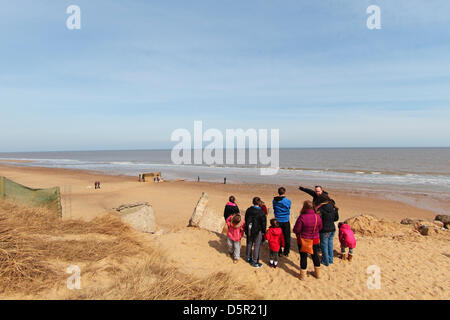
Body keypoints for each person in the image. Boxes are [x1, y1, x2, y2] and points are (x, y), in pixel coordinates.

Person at [293, 200, 323, 280]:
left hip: (303, 240)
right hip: (315, 239)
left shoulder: (302, 217)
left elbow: (296, 229)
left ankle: (303, 275)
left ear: (304, 207)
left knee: (303, 257)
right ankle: (318, 274)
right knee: (315, 255)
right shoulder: (317, 216)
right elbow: (320, 227)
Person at [316, 194, 339, 267]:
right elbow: (336, 218)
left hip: (325, 229)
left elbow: (318, 220)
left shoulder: (321, 209)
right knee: (330, 244)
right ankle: (330, 259)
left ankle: (325, 261)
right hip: (332, 228)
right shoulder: (333, 207)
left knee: (324, 245)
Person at [244, 197, 267, 268]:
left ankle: (248, 258)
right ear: (259, 202)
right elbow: (263, 223)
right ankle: (254, 261)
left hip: (249, 228)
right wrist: (263, 231)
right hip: (257, 230)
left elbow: (246, 219)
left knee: (249, 243)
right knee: (257, 245)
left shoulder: (248, 210)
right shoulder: (261, 212)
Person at [272, 187, 292, 257]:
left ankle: (279, 251)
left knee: (278, 236)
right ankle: (286, 252)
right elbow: (288, 207)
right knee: (287, 237)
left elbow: (274, 207)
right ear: (284, 192)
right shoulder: (287, 201)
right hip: (285, 220)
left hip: (278, 220)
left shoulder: (274, 200)